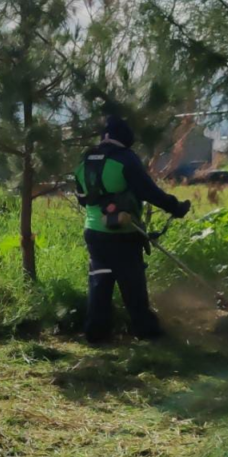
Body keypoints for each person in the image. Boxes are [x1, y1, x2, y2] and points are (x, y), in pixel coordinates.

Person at [74, 115, 192, 343]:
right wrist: (175, 207)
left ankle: (96, 334)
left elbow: (82, 198)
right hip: (123, 234)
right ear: (125, 137)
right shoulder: (125, 159)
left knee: (100, 282)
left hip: (94, 233)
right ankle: (146, 330)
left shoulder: (85, 161)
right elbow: (149, 192)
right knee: (132, 284)